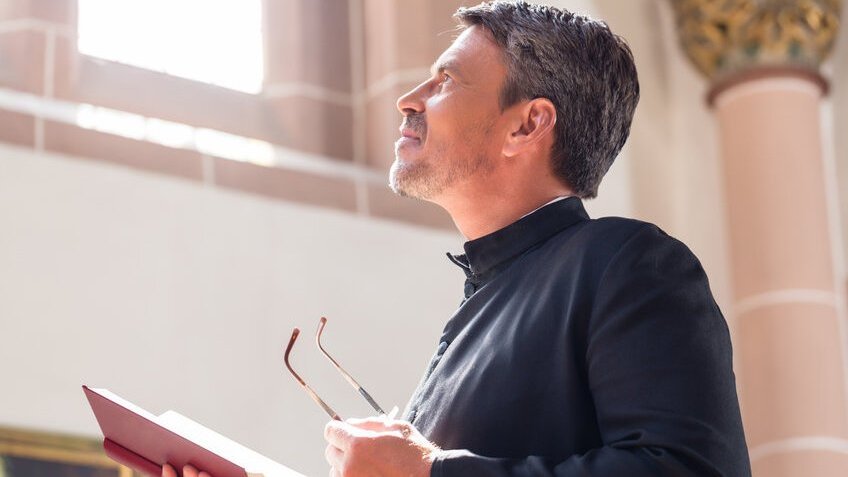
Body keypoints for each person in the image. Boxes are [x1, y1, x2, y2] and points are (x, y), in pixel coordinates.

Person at [166, 1, 751, 476]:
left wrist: (430, 473)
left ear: (527, 123)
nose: (408, 98)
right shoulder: (480, 306)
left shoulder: (627, 264)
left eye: (445, 79)